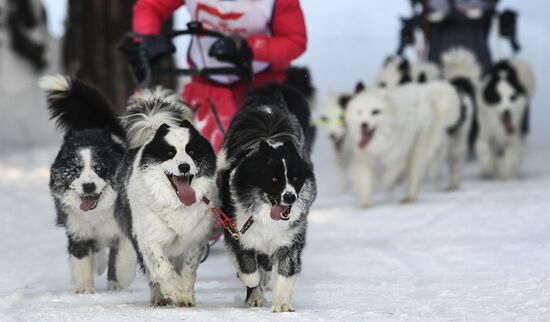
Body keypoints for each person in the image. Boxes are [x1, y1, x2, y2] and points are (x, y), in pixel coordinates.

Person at [132, 0, 307, 151]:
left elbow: (295, 40)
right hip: (207, 83)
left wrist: (249, 48)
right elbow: (150, 6)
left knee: (258, 153)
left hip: (260, 83)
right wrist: (147, 38)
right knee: (197, 152)